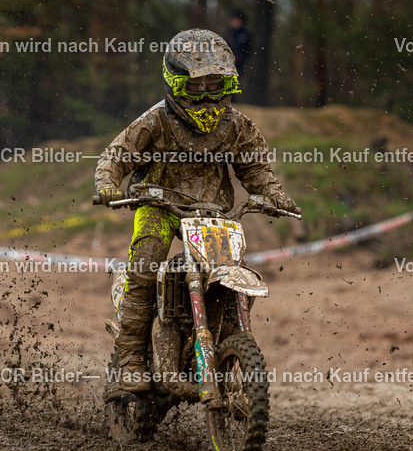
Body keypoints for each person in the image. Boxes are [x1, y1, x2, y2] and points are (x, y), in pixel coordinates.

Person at [94, 29, 299, 393]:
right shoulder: (155, 121)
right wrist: (108, 184)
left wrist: (273, 195)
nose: (205, 96)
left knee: (229, 272)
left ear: (228, 85)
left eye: (214, 85)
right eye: (195, 87)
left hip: (212, 213)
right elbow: (115, 156)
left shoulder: (237, 126)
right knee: (146, 263)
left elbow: (255, 168)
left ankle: (224, 341)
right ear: (175, 85)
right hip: (159, 205)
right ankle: (130, 358)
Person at [224, 9, 251, 76]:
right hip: (226, 64)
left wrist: (239, 58)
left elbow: (247, 51)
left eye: (237, 20)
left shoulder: (245, 35)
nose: (234, 22)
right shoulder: (229, 33)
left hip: (239, 66)